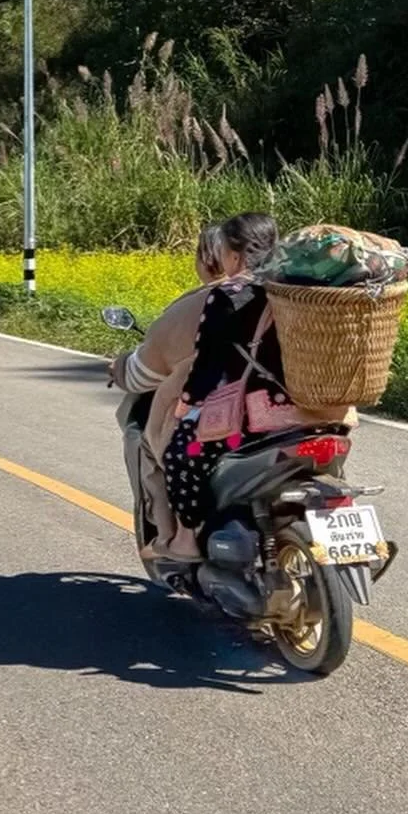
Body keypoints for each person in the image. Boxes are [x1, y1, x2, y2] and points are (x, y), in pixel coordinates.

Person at [162, 212, 286, 558]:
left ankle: (186, 538)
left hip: (252, 420)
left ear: (235, 253)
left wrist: (186, 402)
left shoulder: (230, 294)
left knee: (182, 452)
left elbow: (208, 361)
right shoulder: (294, 288)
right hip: (310, 411)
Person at [109, 222, 232, 561]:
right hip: (293, 416)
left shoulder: (202, 303)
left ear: (210, 259)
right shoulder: (285, 297)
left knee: (158, 447)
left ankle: (174, 537)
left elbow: (143, 371)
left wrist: (119, 370)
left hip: (225, 418)